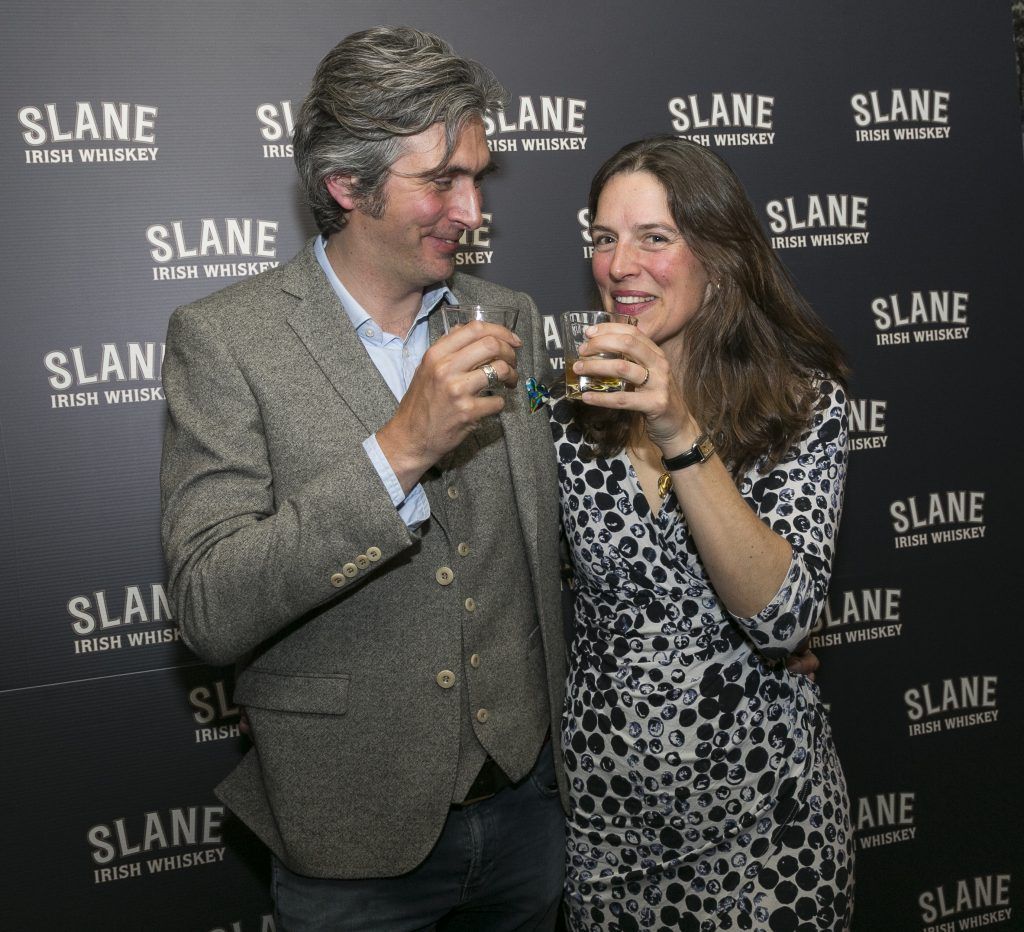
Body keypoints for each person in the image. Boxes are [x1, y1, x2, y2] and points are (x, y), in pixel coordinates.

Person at [160, 26, 567, 930]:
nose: (471, 210)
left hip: (531, 813)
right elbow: (211, 603)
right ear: (347, 187)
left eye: (476, 178)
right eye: (440, 182)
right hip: (353, 839)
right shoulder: (226, 341)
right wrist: (397, 451)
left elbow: (561, 543)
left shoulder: (511, 316)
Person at [549, 136, 854, 931]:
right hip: (609, 832)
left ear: (719, 256)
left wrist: (677, 425)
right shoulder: (567, 414)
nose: (620, 266)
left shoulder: (801, 408)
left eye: (655, 238)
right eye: (605, 239)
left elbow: (781, 617)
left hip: (763, 829)